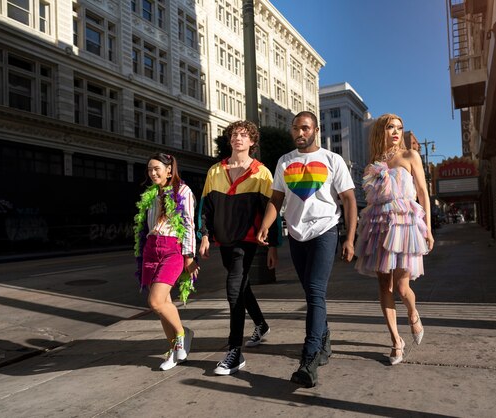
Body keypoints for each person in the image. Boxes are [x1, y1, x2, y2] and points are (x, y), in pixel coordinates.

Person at [257, 111, 357, 388]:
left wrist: (349, 238)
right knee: (311, 292)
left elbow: (348, 200)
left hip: (325, 230)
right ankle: (324, 340)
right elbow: (276, 199)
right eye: (295, 129)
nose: (299, 133)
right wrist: (267, 225)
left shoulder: (332, 160)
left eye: (305, 128)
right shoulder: (284, 161)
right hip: (297, 235)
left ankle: (310, 358)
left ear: (315, 130)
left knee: (315, 291)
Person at [198, 120, 280, 376]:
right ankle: (261, 324)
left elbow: (272, 208)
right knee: (242, 286)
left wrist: (273, 246)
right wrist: (204, 235)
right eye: (234, 134)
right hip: (224, 239)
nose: (238, 138)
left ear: (252, 141)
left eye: (244, 135)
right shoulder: (215, 171)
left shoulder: (261, 173)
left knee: (234, 288)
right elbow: (205, 208)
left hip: (247, 240)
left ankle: (235, 350)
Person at [354, 113, 434, 365]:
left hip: (405, 225)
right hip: (378, 226)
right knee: (383, 287)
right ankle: (396, 341)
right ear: (381, 132)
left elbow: (422, 193)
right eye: (390, 127)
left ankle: (412, 313)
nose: (396, 132)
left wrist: (428, 229)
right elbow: (371, 200)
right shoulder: (372, 165)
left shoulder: (411, 157)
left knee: (401, 287)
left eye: (399, 127)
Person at [133, 153, 198, 371]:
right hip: (152, 248)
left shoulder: (183, 191)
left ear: (169, 169)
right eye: (149, 169)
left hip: (173, 249)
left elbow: (189, 224)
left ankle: (181, 336)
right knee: (164, 305)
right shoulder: (151, 194)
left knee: (155, 301)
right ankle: (174, 350)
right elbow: (146, 227)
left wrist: (189, 255)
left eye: (157, 168)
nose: (152, 173)